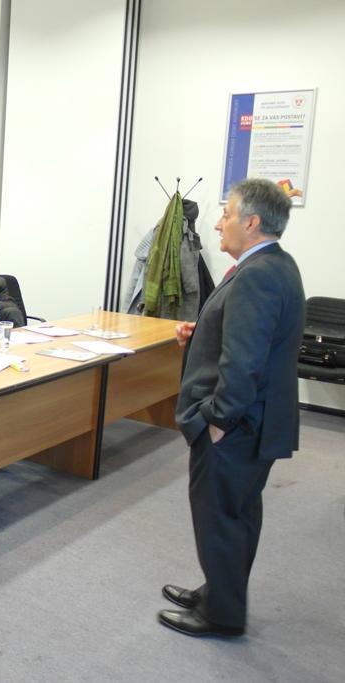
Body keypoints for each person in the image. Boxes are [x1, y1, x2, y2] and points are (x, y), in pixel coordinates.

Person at [159, 178, 305, 638]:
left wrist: (218, 421)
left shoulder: (257, 275)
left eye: (227, 214)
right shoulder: (275, 264)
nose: (219, 223)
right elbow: (250, 338)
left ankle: (221, 616)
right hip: (256, 421)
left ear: (252, 222)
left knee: (220, 517)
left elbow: (245, 362)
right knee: (237, 513)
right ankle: (219, 592)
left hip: (236, 426)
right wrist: (201, 331)